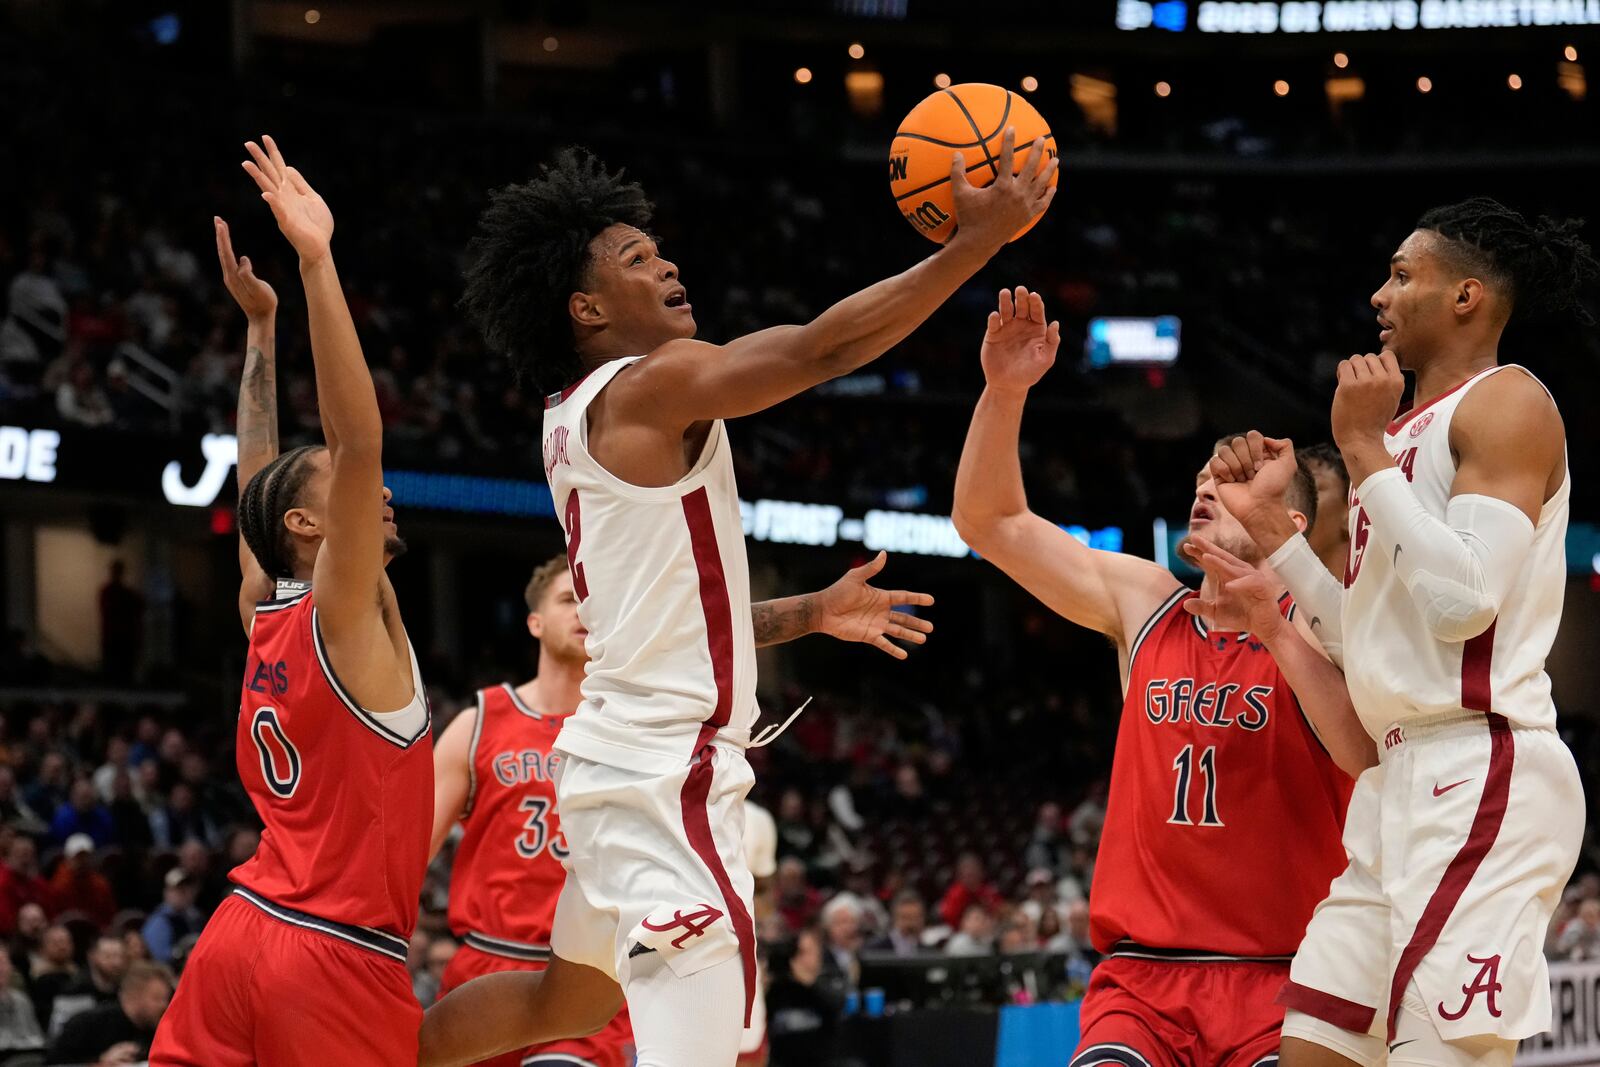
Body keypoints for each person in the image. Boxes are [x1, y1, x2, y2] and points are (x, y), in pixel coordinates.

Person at [420, 129, 1047, 1067]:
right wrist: (973, 244)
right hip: (668, 778)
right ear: (586, 306)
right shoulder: (647, 388)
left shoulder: (575, 412)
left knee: (566, 998)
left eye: (657, 246)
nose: (666, 260)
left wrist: (812, 612)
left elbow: (674, 626)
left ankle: (373, 1045)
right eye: (636, 257)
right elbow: (820, 349)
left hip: (609, 763)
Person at [1212, 198, 1594, 1067]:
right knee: (1315, 1051)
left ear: (1466, 296)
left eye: (1401, 274)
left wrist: (1362, 456)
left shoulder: (1509, 403)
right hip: (1399, 780)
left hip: (1482, 772)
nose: (1380, 296)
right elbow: (1369, 634)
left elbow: (1466, 602)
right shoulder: (1397, 436)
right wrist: (1277, 533)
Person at [952, 286, 1363, 1066]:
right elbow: (991, 523)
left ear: (1285, 519)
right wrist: (1004, 392)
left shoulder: (1323, 622)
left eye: (1231, 488)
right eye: (1202, 481)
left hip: (1288, 975)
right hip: (1142, 977)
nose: (1206, 490)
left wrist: (1279, 590)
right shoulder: (1148, 605)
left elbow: (1361, 746)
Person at [150, 138, 432, 1066]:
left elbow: (259, 484)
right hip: (334, 955)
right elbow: (358, 439)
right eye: (346, 494)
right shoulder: (345, 612)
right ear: (314, 525)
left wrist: (258, 332)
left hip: (238, 936)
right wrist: (317, 260)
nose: (379, 496)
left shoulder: (263, 607)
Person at [47, 962, 172, 1066]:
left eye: (165, 999)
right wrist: (100, 1064)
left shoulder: (157, 1030)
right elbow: (54, 1063)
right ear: (135, 995)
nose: (164, 1006)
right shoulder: (87, 1023)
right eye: (157, 999)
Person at [140, 870, 203, 966]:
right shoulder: (159, 921)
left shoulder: (196, 917)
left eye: (187, 889)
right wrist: (179, 953)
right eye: (179, 890)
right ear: (167, 892)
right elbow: (158, 958)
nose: (184, 894)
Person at [866, 891, 930, 958]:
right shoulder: (874, 950)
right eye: (906, 918)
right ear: (894, 918)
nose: (912, 923)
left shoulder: (928, 952)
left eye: (916, 917)